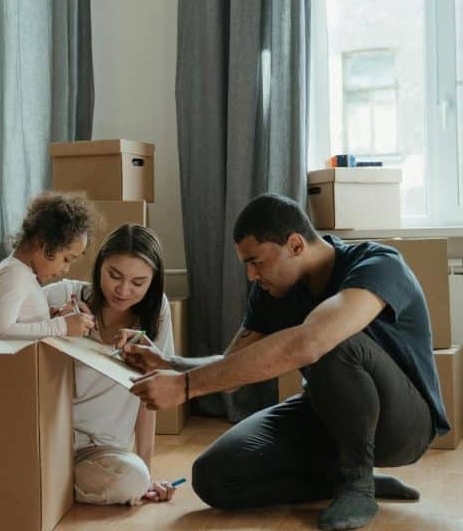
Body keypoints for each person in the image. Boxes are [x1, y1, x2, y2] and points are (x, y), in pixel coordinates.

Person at [126, 193, 448, 531]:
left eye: (256, 261)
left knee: (330, 340)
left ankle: (358, 484)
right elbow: (233, 367)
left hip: (404, 426)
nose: (251, 275)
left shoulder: (378, 264)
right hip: (327, 414)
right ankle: (342, 479)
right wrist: (170, 364)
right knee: (213, 476)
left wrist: (185, 387)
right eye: (246, 265)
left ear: (295, 245)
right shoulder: (271, 291)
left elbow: (311, 342)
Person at [0, 224, 180, 505]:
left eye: (138, 283)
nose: (123, 290)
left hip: (103, 452)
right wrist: (55, 321)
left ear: (153, 282)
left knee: (133, 480)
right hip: (48, 439)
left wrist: (147, 471)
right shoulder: (67, 295)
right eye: (114, 275)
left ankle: (41, 483)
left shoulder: (157, 315)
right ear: (99, 266)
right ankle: (43, 481)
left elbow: (149, 397)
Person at [0, 191, 99, 340]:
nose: (66, 269)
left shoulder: (24, 274)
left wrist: (48, 319)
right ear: (43, 241)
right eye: (66, 259)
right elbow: (0, 333)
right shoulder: (14, 275)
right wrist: (62, 326)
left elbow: (22, 326)